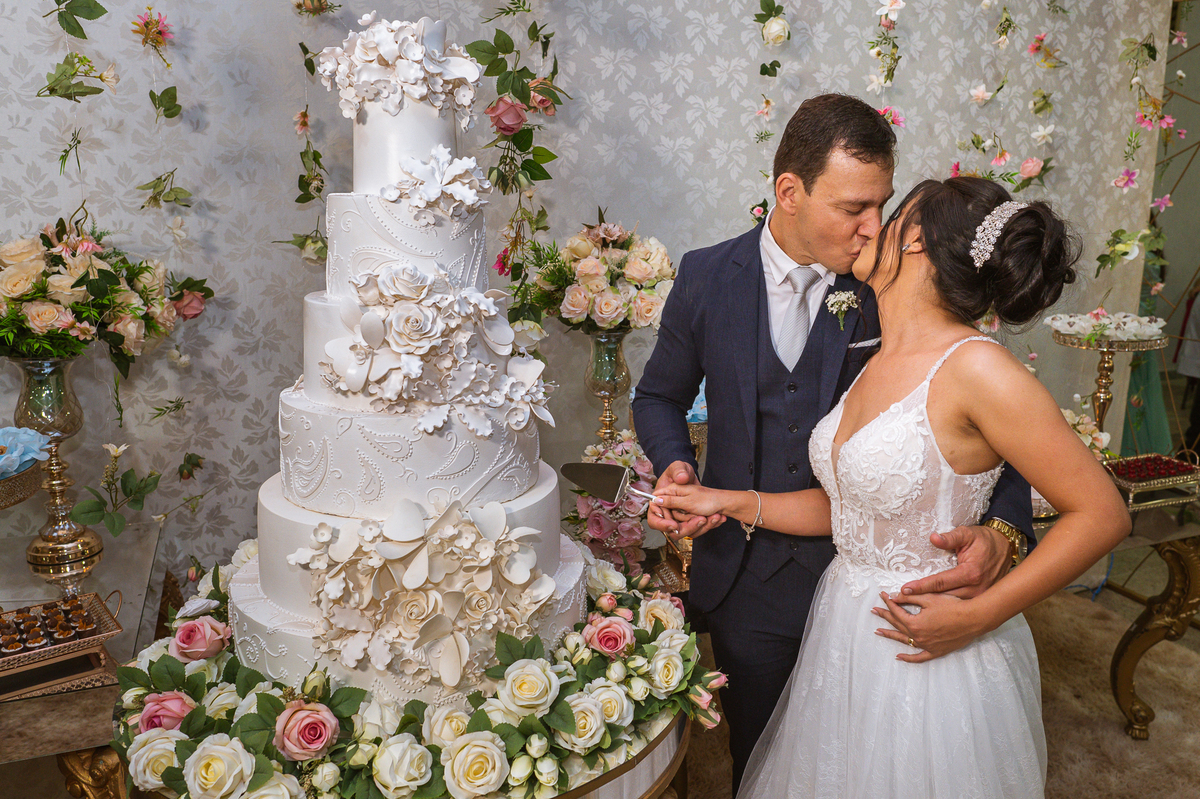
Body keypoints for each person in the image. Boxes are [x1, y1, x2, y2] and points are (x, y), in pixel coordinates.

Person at [654, 176, 1132, 797]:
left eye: (890, 211)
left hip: (928, 639)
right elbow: (849, 509)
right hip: (845, 626)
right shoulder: (878, 359)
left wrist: (980, 615)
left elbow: (1102, 514)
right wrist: (728, 500)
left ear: (913, 240)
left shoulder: (978, 368)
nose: (871, 226)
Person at [631, 93, 1035, 791]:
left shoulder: (896, 281)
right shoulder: (706, 277)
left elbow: (991, 424)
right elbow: (657, 395)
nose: (873, 227)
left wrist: (1003, 530)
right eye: (854, 207)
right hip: (747, 580)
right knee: (770, 766)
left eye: (882, 204)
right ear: (790, 192)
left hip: (878, 592)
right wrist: (676, 467)